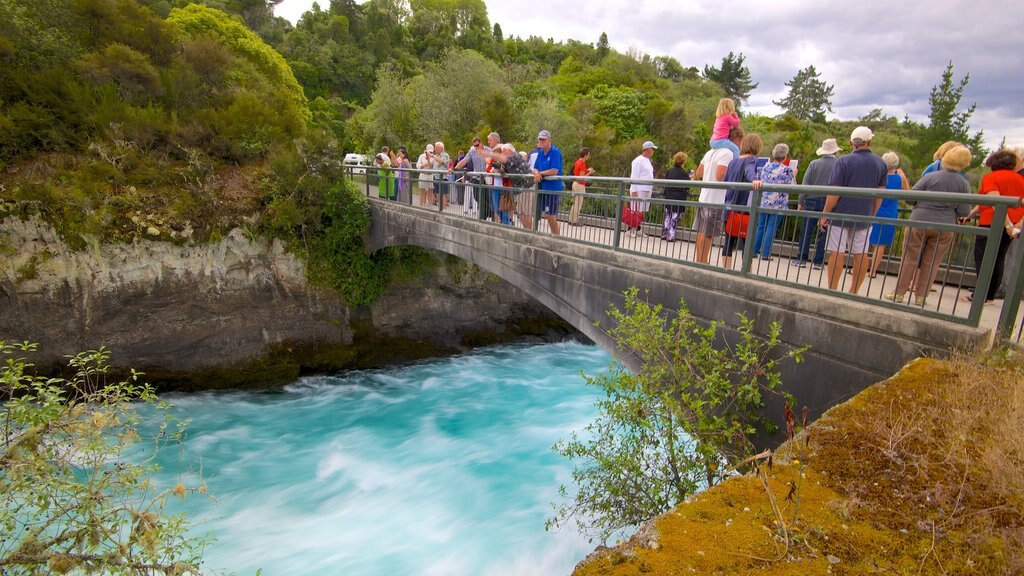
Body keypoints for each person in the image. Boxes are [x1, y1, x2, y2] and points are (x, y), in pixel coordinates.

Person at [884, 145, 973, 305]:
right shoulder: (963, 184)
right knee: (932, 261)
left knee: (909, 258)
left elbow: (910, 199)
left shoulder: (930, 177)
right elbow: (964, 210)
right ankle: (921, 297)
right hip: (944, 226)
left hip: (919, 221)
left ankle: (898, 293)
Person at [819, 126, 888, 294]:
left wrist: (825, 214)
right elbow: (880, 193)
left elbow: (834, 191)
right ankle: (854, 290)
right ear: (870, 141)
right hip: (864, 214)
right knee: (861, 253)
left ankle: (833, 289)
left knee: (837, 251)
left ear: (851, 143)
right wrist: (873, 212)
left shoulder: (844, 161)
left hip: (841, 213)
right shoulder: (880, 163)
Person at [962, 149, 1024, 302]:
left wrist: (1008, 224)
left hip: (992, 223)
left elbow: (996, 203)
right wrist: (1015, 225)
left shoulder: (992, 178)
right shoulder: (1020, 179)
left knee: (983, 258)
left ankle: (981, 295)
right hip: (1011, 225)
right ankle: (989, 296)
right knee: (999, 258)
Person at [693, 126, 744, 263]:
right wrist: (734, 176)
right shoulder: (727, 153)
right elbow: (720, 175)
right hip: (716, 199)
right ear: (737, 139)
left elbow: (698, 173)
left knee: (701, 231)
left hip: (704, 197)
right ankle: (703, 262)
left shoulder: (710, 152)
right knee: (708, 233)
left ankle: (699, 260)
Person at [793, 138, 842, 269]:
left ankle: (801, 259)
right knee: (823, 230)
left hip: (811, 199)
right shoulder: (839, 164)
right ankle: (818, 261)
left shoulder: (814, 164)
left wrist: (800, 202)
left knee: (807, 230)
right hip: (829, 201)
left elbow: (805, 184)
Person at [720, 133, 763, 269]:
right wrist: (754, 180)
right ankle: (746, 272)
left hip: (728, 208)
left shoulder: (733, 161)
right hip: (742, 210)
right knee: (746, 242)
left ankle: (727, 270)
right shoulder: (752, 160)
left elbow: (724, 180)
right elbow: (749, 172)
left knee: (729, 241)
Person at [867, 151, 909, 278]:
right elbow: (908, 194)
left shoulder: (878, 176)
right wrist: (903, 177)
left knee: (866, 240)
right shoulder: (899, 178)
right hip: (890, 213)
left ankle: (860, 268)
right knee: (880, 245)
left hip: (875, 210)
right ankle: (873, 271)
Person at [752, 143, 795, 261]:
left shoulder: (766, 167)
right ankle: (765, 254)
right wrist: (794, 174)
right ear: (785, 156)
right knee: (771, 227)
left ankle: (753, 251)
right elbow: (793, 186)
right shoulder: (787, 170)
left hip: (765, 201)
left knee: (760, 226)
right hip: (779, 204)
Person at [532, 129, 564, 236]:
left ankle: (556, 237)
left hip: (553, 188)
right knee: (547, 214)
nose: (541, 141)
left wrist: (540, 173)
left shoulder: (555, 152)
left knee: (551, 215)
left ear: (549, 140)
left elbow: (554, 170)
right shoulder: (540, 152)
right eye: (540, 139)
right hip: (543, 187)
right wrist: (537, 173)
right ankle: (554, 235)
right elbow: (535, 167)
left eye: (543, 139)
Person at [452, 136, 489, 214]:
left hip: (487, 177)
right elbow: (464, 161)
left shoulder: (488, 150)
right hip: (476, 177)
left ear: (481, 143)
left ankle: (485, 213)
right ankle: (483, 212)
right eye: (474, 146)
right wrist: (454, 169)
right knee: (476, 196)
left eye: (477, 145)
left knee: (486, 196)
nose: (476, 147)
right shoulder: (472, 152)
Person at [627, 141, 657, 237]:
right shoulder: (638, 161)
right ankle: (631, 229)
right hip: (639, 188)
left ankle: (638, 228)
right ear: (648, 149)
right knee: (636, 209)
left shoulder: (648, 161)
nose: (653, 151)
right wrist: (634, 190)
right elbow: (634, 176)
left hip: (647, 189)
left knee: (642, 210)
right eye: (652, 149)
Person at [663, 151, 691, 242]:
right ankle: (671, 235)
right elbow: (687, 186)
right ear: (683, 161)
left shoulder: (670, 171)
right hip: (678, 198)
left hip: (668, 196)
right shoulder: (684, 173)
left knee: (668, 216)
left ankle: (664, 233)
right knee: (675, 218)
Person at [569, 147, 595, 226]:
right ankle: (575, 221)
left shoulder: (577, 162)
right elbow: (582, 177)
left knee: (575, 203)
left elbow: (578, 173)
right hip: (580, 185)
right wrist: (590, 173)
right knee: (578, 203)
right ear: (585, 155)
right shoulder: (582, 164)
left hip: (575, 183)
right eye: (588, 155)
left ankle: (571, 219)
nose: (589, 156)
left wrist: (587, 170)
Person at [431, 141, 451, 210]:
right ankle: (440, 208)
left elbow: (441, 161)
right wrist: (428, 158)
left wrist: (432, 156)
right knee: (438, 193)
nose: (435, 149)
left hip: (443, 177)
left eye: (436, 147)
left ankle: (444, 209)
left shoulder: (445, 155)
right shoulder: (436, 156)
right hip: (435, 177)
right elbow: (431, 165)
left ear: (441, 148)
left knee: (443, 194)